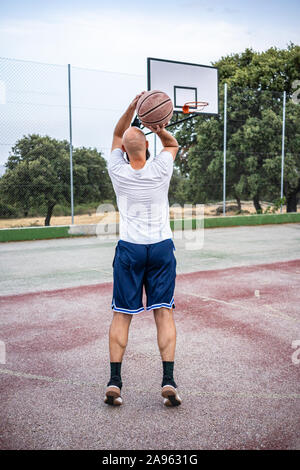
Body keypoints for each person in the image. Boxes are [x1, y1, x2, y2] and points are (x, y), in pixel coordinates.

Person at [104, 92, 181, 407]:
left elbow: (115, 133)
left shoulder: (117, 171)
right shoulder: (161, 168)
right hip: (161, 249)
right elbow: (173, 145)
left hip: (130, 250)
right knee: (163, 312)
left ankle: (115, 382)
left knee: (122, 315)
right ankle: (168, 380)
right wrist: (157, 124)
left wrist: (131, 109)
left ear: (123, 149)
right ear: (148, 147)